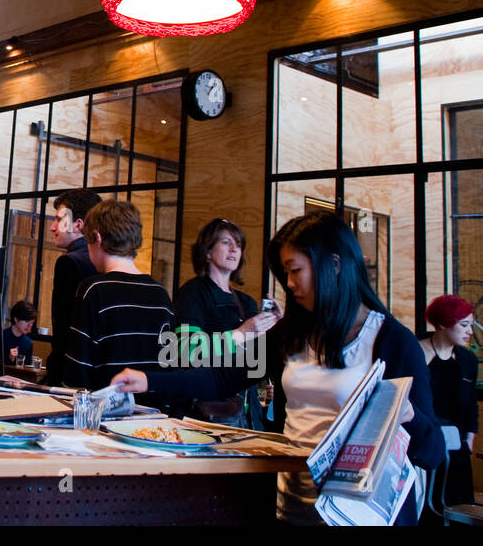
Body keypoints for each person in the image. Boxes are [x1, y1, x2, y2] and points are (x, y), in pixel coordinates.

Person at [109, 211, 444, 525]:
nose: (290, 283)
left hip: (358, 516)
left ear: (335, 264)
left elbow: (432, 453)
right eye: (285, 273)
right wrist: (148, 380)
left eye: (295, 270)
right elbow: (224, 377)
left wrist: (407, 415)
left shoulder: (393, 342)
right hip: (294, 506)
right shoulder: (292, 334)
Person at [172, 218, 277, 428]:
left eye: (238, 245)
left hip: (248, 417)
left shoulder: (246, 302)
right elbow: (186, 351)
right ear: (207, 251)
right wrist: (242, 333)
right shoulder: (192, 294)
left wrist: (276, 329)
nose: (234, 249)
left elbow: (257, 362)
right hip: (203, 417)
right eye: (226, 242)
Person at [64, 200, 173, 395]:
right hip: (155, 418)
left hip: (105, 415)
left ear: (97, 238)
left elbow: (78, 371)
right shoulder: (161, 294)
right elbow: (169, 361)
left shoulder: (94, 290)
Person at [420, 294, 479, 512]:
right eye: (464, 325)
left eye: (471, 325)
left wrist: (470, 438)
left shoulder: (468, 360)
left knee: (459, 504)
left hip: (457, 442)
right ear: (444, 323)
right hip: (423, 440)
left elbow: (471, 403)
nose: (469, 332)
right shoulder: (416, 353)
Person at [44, 188, 102, 384]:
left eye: (59, 220)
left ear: (78, 225)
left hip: (69, 374)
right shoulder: (102, 261)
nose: (53, 227)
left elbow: (63, 330)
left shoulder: (70, 262)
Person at [2, 300, 36, 368]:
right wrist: (10, 358)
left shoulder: (28, 343)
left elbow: (27, 368)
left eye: (32, 322)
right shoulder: (2, 336)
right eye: (27, 321)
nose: (29, 325)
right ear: (16, 319)